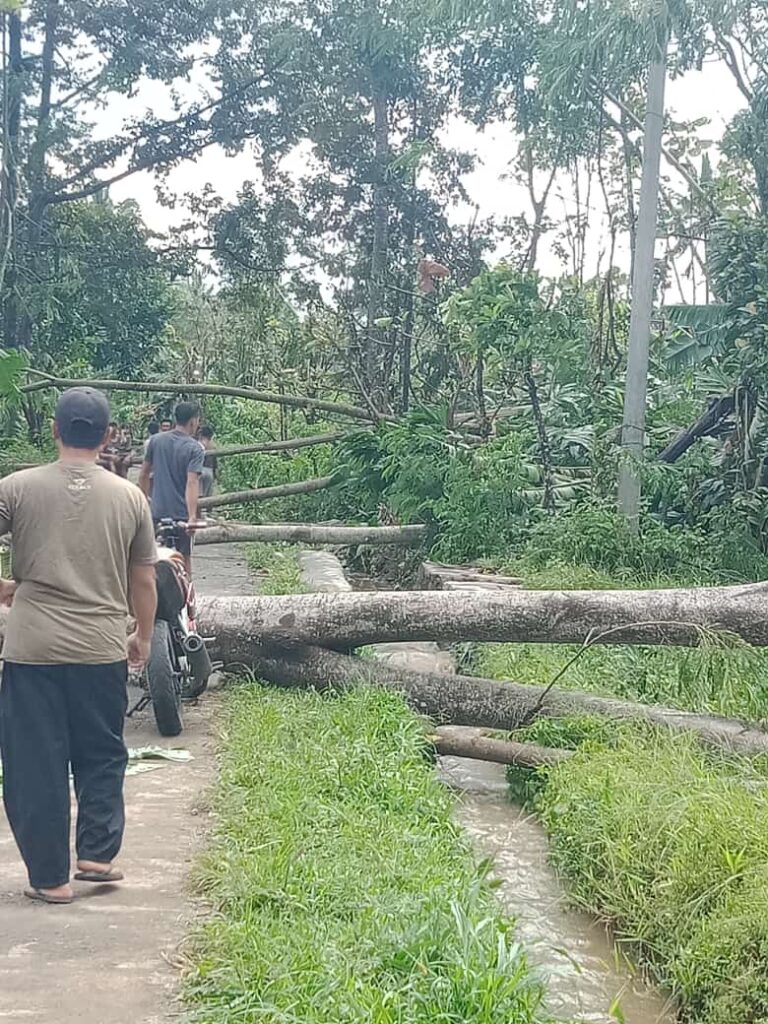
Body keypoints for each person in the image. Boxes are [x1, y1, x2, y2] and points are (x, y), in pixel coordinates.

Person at [0, 387, 158, 905]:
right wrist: (142, 634)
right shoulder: (129, 497)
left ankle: (50, 878)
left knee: (33, 763)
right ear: (109, 436)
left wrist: (9, 587)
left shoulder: (16, 488)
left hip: (31, 650)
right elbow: (145, 579)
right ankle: (96, 853)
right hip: (99, 649)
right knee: (103, 753)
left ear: (54, 429)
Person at [139, 401, 204, 576]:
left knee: (151, 559)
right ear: (193, 421)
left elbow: (144, 474)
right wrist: (192, 517)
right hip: (181, 515)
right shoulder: (195, 448)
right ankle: (190, 601)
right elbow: (192, 482)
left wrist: (144, 501)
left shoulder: (156, 441)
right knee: (185, 558)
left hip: (157, 512)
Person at [198, 424, 218, 498]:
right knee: (208, 496)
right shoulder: (212, 446)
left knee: (199, 495)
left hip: (199, 470)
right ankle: (209, 509)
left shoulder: (196, 444)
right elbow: (215, 463)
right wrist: (216, 475)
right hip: (209, 470)